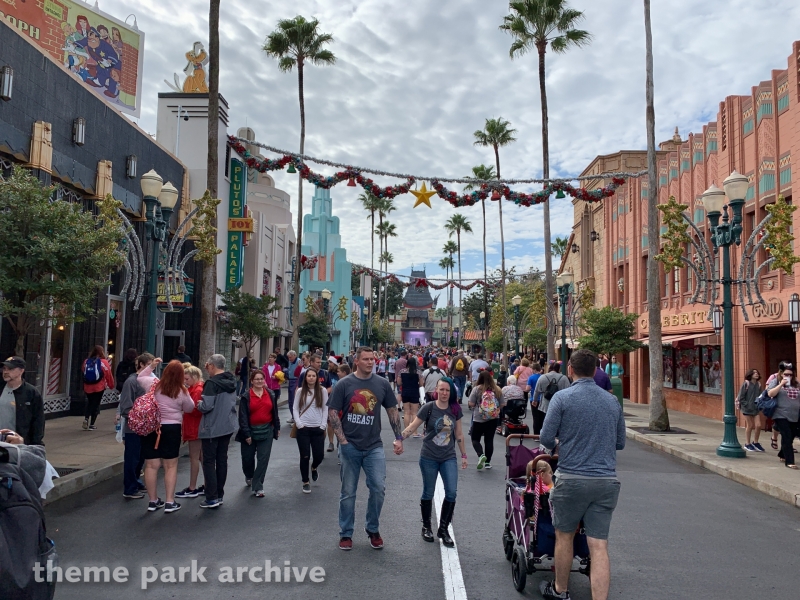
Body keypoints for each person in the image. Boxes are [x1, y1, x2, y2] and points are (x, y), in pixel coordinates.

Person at [539, 349, 626, 600]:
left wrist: (561, 442)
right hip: (606, 480)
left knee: (564, 536)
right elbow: (619, 443)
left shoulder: (562, 398)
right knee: (599, 545)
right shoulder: (612, 402)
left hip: (572, 478)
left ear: (571, 370)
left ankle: (561, 590)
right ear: (597, 370)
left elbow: (545, 437)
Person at [327, 346, 403, 551]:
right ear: (357, 361)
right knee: (348, 492)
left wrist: (398, 437)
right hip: (350, 445)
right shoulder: (344, 384)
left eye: (373, 359)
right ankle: (345, 533)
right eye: (367, 359)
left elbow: (392, 411)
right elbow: (333, 412)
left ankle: (373, 528)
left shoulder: (382, 384)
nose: (371, 362)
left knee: (378, 488)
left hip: (373, 446)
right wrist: (343, 441)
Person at [401, 377, 467, 546]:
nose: (444, 393)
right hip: (429, 456)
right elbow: (413, 426)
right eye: (441, 390)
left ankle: (443, 529)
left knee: (451, 492)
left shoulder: (455, 409)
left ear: (451, 391)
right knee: (428, 493)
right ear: (436, 390)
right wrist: (399, 438)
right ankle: (426, 527)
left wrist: (464, 455)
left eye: (447, 390)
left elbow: (459, 434)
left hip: (448, 457)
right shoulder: (429, 408)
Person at [138, 360, 195, 513]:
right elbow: (190, 408)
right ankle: (170, 502)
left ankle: (153, 500)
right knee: (170, 466)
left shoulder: (154, 385)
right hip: (172, 428)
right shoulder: (182, 391)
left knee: (151, 465)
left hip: (153, 426)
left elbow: (140, 376)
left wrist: (152, 365)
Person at [197, 354, 238, 508]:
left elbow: (207, 406)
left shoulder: (211, 383)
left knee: (209, 461)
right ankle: (219, 494)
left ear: (212, 366)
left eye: (207, 365)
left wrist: (199, 404)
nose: (207, 368)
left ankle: (211, 496)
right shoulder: (231, 380)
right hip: (227, 425)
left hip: (212, 427)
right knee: (222, 459)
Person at [236, 370, 280, 497]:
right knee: (247, 459)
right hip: (250, 431)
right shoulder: (246, 396)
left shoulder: (270, 394)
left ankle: (258, 486)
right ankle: (249, 475)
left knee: (263, 459)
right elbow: (242, 417)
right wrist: (247, 434)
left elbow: (275, 413)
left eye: (261, 379)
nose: (259, 381)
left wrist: (276, 427)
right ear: (252, 381)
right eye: (257, 379)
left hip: (267, 430)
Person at [117, 352, 153, 499]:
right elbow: (126, 405)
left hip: (143, 425)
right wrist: (137, 417)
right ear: (141, 365)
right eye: (149, 365)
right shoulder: (131, 382)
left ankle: (136, 482)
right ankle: (130, 487)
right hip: (134, 426)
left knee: (140, 457)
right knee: (132, 458)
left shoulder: (144, 381)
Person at [293, 368, 329, 493]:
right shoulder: (300, 391)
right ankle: (305, 481)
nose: (311, 378)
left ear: (317, 378)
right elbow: (295, 408)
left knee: (319, 456)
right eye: (309, 376)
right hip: (303, 429)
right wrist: (299, 424)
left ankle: (314, 467)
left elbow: (325, 409)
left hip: (318, 428)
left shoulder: (322, 391)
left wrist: (323, 425)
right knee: (305, 456)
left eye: (314, 376)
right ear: (305, 377)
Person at [0, 357, 45, 446]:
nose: (6, 372)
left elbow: (38, 420)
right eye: (4, 369)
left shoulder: (31, 393)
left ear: (21, 371)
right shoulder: (1, 388)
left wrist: (35, 443)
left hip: (18, 442)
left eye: (10, 369)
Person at [176, 365, 205, 498]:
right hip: (196, 426)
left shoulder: (196, 390)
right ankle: (206, 484)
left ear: (194, 377)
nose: (185, 382)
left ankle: (192, 487)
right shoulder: (197, 388)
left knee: (194, 457)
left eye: (187, 379)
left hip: (195, 427)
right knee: (201, 457)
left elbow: (195, 409)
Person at [467, 370, 505, 470]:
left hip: (478, 418)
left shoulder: (476, 389)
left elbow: (471, 403)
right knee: (489, 440)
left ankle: (481, 455)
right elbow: (502, 404)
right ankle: (488, 462)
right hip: (493, 418)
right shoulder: (497, 389)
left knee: (475, 439)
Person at [766, 364, 800, 468]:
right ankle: (790, 461)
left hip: (794, 415)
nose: (788, 376)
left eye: (790, 375)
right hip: (780, 414)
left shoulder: (797, 383)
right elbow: (770, 394)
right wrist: (781, 384)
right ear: (781, 374)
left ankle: (782, 453)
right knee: (786, 435)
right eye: (786, 374)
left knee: (791, 436)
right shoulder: (775, 381)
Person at [81, 345, 115, 430]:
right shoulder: (104, 362)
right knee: (96, 404)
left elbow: (83, 371)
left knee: (90, 402)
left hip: (87, 386)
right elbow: (108, 375)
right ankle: (92, 424)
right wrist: (111, 385)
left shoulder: (86, 361)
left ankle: (86, 418)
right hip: (98, 386)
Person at [533, 362, 570, 436]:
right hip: (560, 403)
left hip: (545, 404)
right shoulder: (564, 378)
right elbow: (569, 391)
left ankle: (546, 437)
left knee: (545, 421)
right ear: (558, 369)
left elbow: (537, 390)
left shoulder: (542, 377)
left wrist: (535, 400)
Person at [737, 369, 765, 452]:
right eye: (754, 373)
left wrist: (760, 404)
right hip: (746, 408)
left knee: (758, 425)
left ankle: (755, 442)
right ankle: (747, 443)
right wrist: (746, 405)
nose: (756, 374)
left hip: (755, 408)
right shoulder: (746, 383)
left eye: (757, 372)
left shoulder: (758, 384)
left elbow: (761, 396)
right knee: (750, 425)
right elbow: (741, 396)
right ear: (750, 375)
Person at [399, 353, 424, 437]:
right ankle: (414, 432)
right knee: (414, 413)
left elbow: (398, 382)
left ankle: (406, 431)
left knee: (406, 412)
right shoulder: (418, 372)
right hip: (414, 392)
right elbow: (421, 384)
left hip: (405, 392)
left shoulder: (402, 371)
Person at [286, 350, 302, 421]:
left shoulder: (299, 361)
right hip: (290, 380)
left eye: (291, 357)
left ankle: (296, 418)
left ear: (294, 355)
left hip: (296, 380)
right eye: (289, 357)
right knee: (290, 400)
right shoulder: (290, 361)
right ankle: (293, 416)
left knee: (293, 399)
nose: (289, 359)